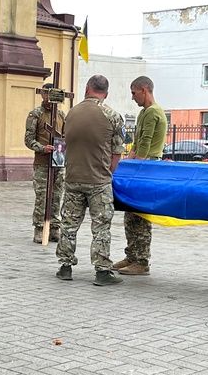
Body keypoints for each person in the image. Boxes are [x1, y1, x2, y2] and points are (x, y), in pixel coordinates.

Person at [54, 74, 127, 286]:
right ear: (106, 93)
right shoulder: (112, 116)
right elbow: (117, 153)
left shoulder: (71, 114)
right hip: (98, 181)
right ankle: (102, 271)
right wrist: (107, 173)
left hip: (73, 178)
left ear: (87, 88)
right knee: (101, 227)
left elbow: (64, 144)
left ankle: (65, 267)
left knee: (69, 224)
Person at [114, 75, 167, 276]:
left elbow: (145, 144)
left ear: (144, 90)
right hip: (140, 167)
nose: (132, 97)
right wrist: (129, 161)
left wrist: (134, 165)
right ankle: (132, 255)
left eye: (134, 93)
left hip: (146, 168)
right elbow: (137, 143)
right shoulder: (144, 112)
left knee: (140, 215)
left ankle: (142, 260)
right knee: (131, 214)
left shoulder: (153, 112)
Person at [25, 83, 67, 243]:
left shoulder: (62, 115)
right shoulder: (35, 114)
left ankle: (55, 227)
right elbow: (28, 139)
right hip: (42, 163)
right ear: (43, 95)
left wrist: (62, 147)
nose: (49, 98)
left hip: (58, 162)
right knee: (42, 196)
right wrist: (42, 148)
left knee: (57, 195)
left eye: (53, 94)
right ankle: (39, 228)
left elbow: (65, 136)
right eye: (47, 94)